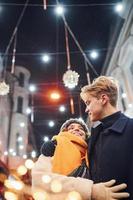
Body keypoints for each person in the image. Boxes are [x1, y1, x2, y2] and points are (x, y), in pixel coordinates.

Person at [32, 117, 129, 200]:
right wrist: (91, 190)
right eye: (71, 128)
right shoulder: (54, 148)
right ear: (64, 132)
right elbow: (39, 182)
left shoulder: (94, 152)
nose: (77, 129)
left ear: (87, 135)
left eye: (81, 128)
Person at [80, 75, 133, 199]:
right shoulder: (94, 136)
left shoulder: (130, 128)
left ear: (103, 99)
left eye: (88, 103)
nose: (86, 109)